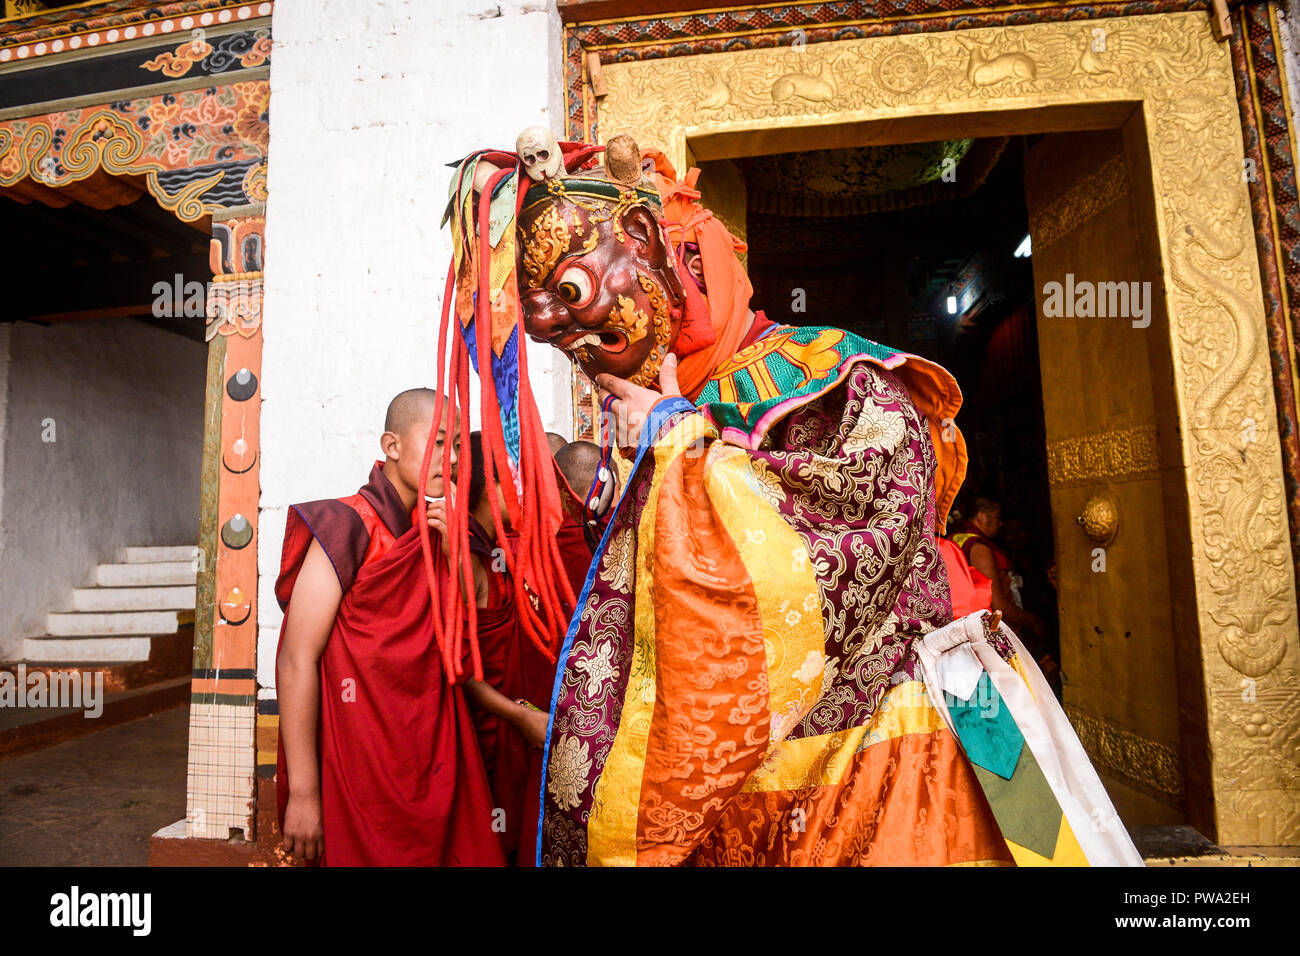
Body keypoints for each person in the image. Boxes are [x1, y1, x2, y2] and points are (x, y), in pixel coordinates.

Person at [438, 132, 1140, 867]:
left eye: (578, 298)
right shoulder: (679, 409)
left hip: (925, 726)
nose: (574, 340)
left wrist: (678, 445)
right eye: (558, 334)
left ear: (651, 241)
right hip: (775, 782)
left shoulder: (831, 372)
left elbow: (856, 547)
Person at [274, 388, 504, 866]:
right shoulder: (346, 526)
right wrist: (303, 793)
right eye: (440, 442)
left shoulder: (441, 529)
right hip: (358, 767)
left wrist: (454, 551)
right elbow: (298, 658)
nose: (454, 458)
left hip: (431, 761)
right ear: (392, 446)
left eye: (460, 445)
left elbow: (465, 644)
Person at [459, 431, 554, 865]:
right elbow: (463, 673)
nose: (520, 493)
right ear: (485, 487)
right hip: (482, 732)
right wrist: (521, 714)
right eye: (509, 482)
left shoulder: (495, 548)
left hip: (507, 726)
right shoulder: (465, 558)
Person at [952, 496, 1047, 651]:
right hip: (990, 631)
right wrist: (1033, 621)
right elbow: (997, 604)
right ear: (981, 517)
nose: (1000, 523)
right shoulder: (978, 547)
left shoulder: (955, 539)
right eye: (997, 517)